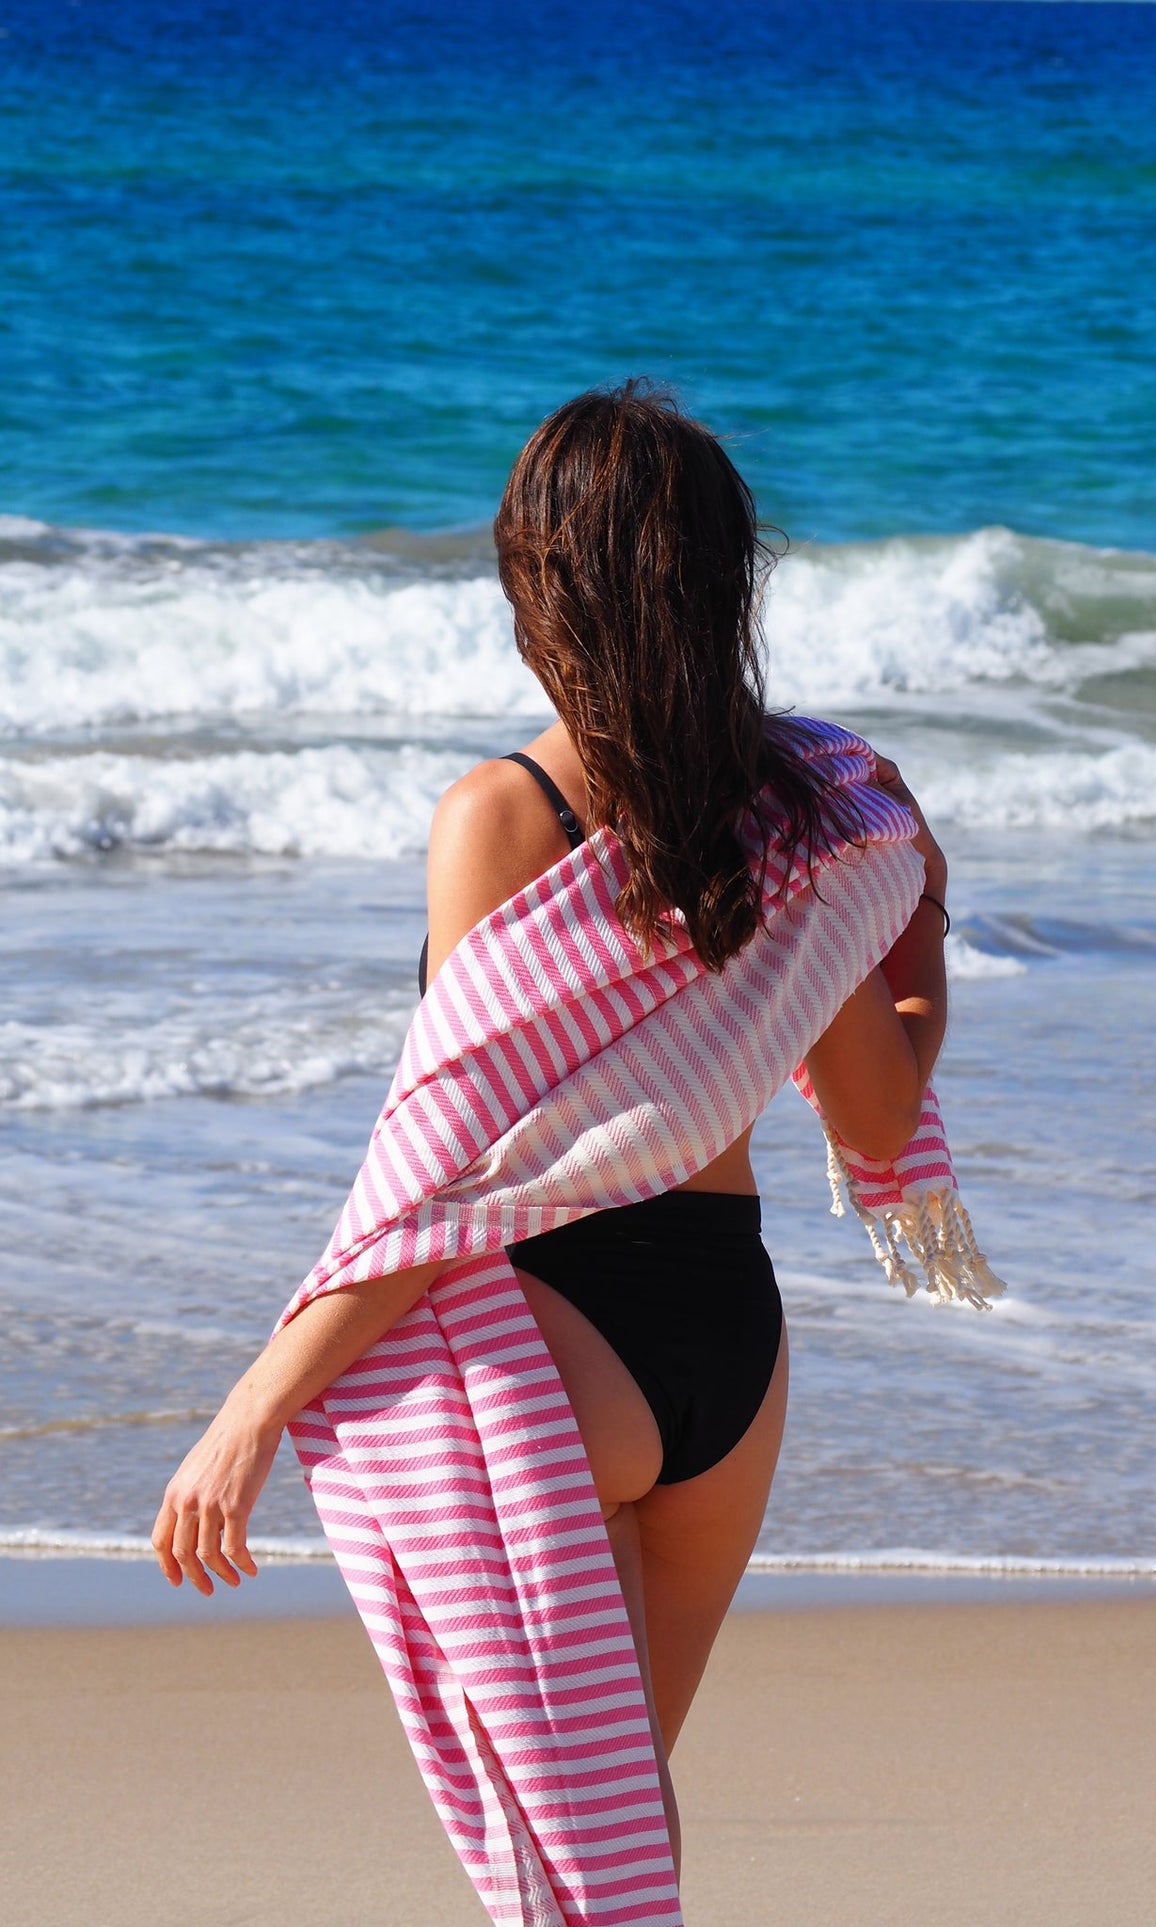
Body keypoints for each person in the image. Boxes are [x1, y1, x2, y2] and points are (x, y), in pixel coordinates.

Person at [152, 381, 951, 1882]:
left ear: (539, 582)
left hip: (550, 1349)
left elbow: (450, 1179)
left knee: (564, 1870)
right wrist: (923, 920)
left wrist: (251, 1410)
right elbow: (878, 1115)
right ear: (727, 579)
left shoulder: (504, 815)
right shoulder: (811, 811)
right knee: (612, 1851)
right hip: (734, 1357)